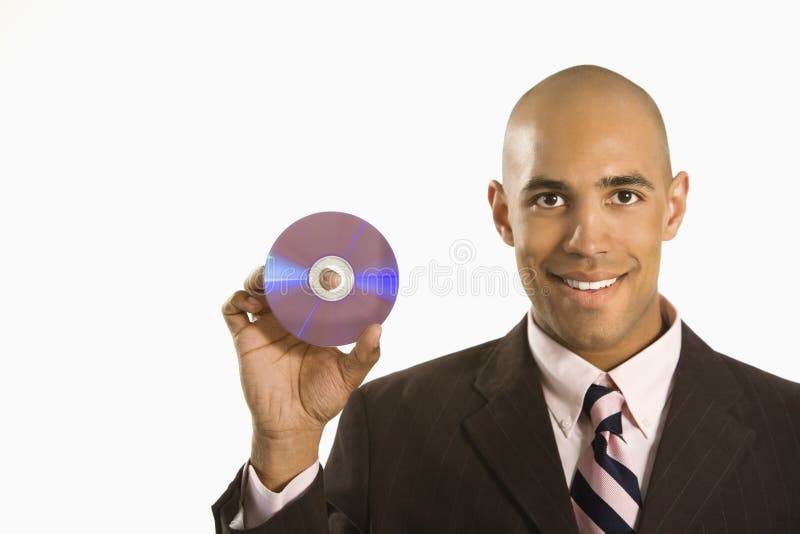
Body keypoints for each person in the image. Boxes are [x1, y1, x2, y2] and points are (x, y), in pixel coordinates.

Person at [212, 65, 800, 533]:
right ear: (502, 214)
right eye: (549, 199)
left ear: (673, 208)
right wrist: (284, 449)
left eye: (623, 195)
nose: (587, 241)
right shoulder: (389, 429)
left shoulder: (789, 432)